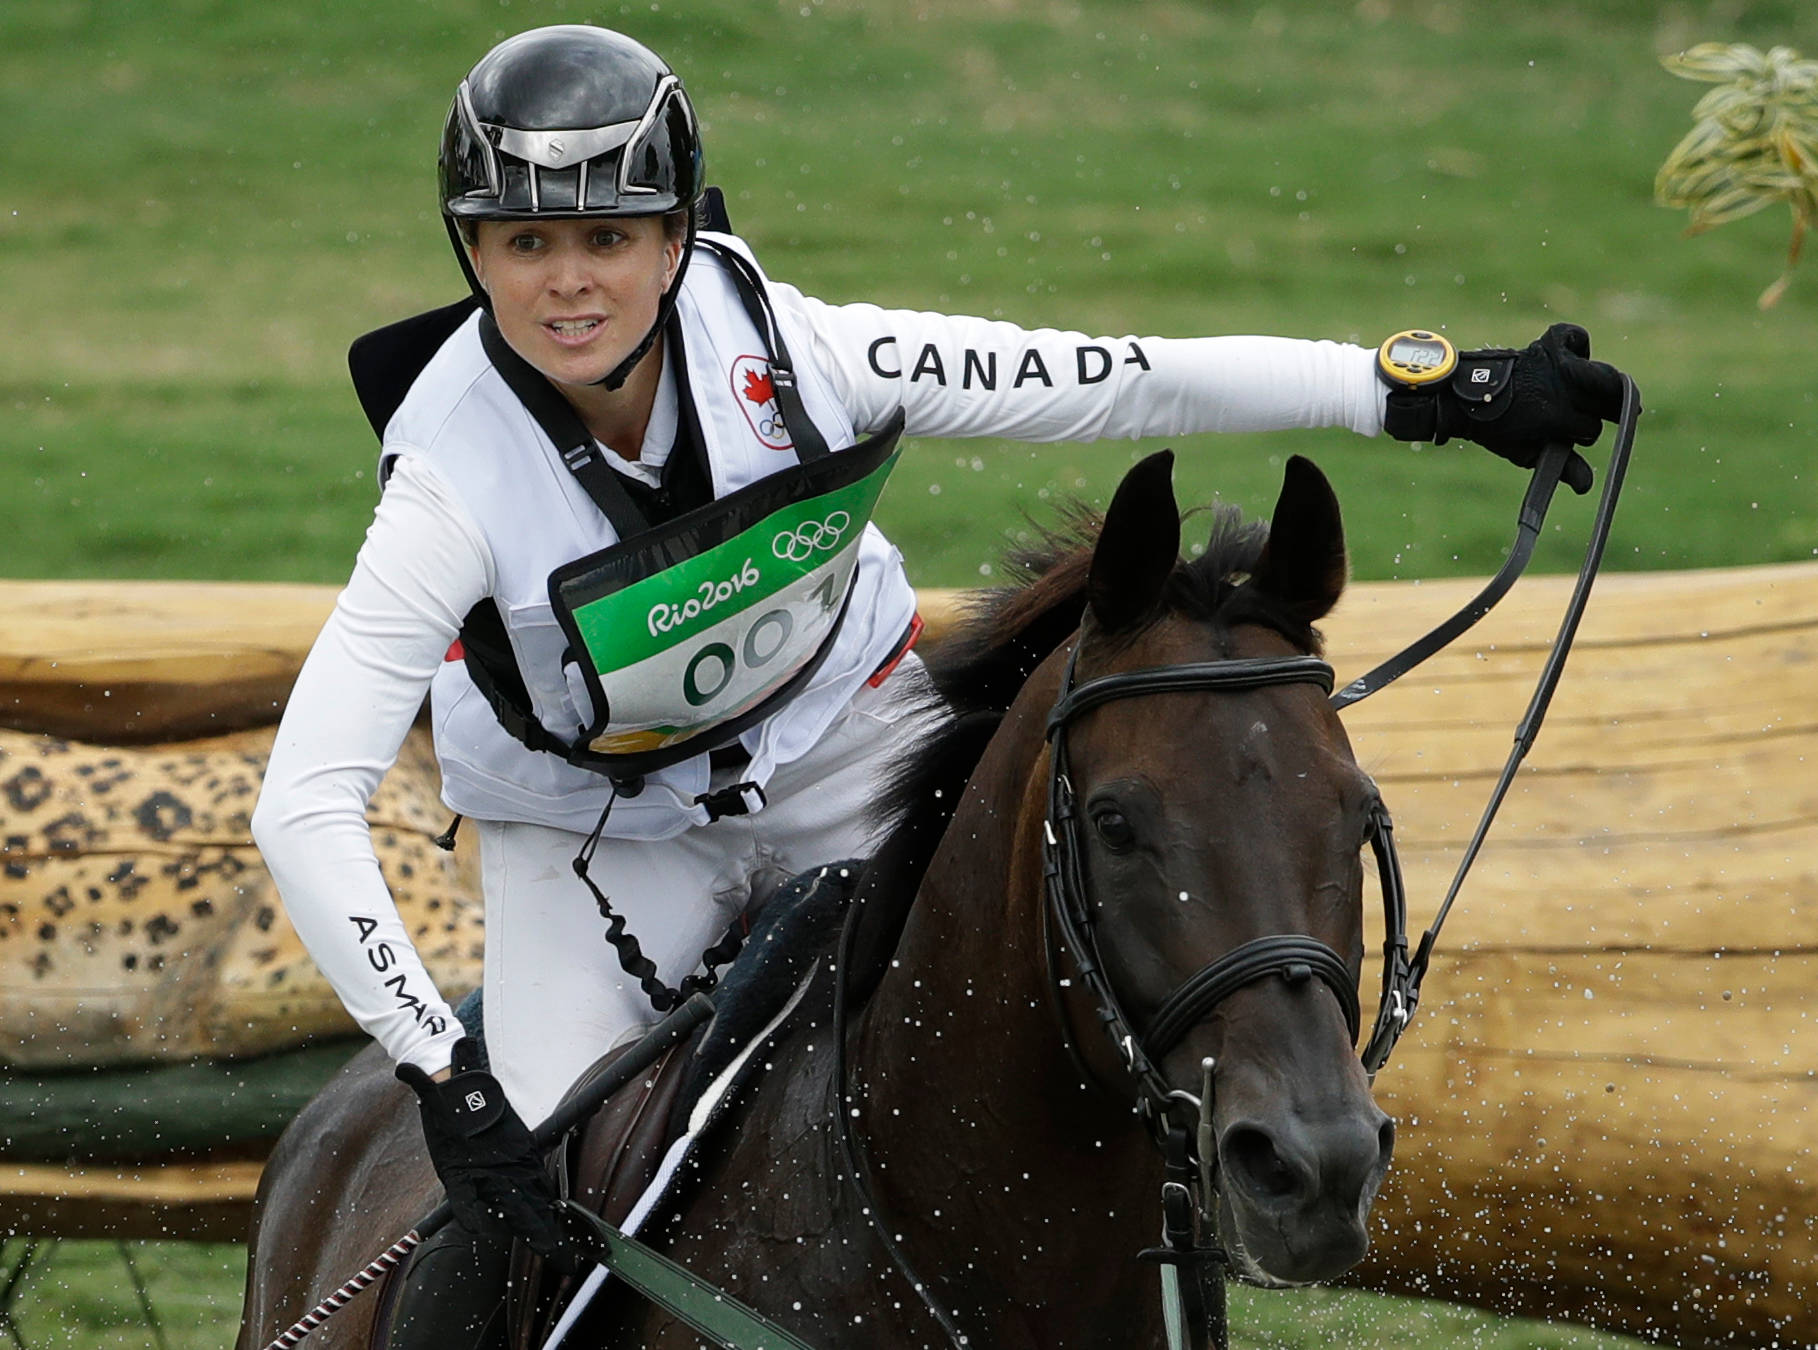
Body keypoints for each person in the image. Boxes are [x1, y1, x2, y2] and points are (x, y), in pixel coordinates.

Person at [248, 23, 1627, 1348]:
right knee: (525, 1211)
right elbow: (305, 802)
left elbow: (1118, 384)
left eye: (607, 236)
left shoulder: (800, 353)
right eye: (523, 241)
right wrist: (438, 1062)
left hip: (849, 747)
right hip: (599, 838)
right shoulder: (449, 477)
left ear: (676, 239)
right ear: (470, 249)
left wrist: (1424, 391)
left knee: (1061, 999)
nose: (567, 283)